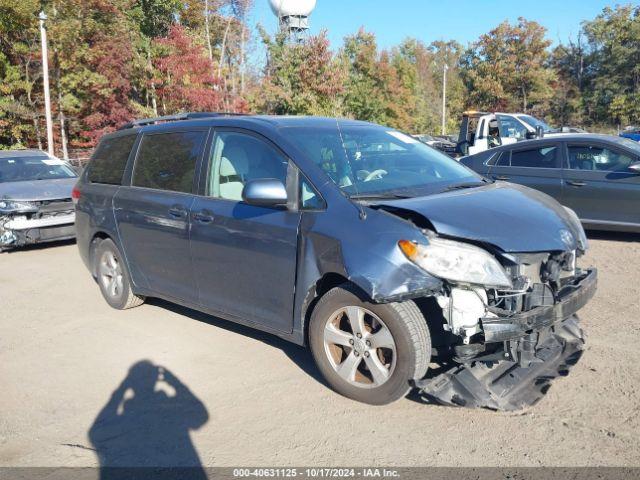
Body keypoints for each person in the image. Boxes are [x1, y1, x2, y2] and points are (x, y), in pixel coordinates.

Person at [89, 360, 209, 479]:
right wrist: (174, 382)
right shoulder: (171, 409)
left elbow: (97, 433)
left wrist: (122, 388)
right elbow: (201, 416)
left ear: (132, 382)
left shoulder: (127, 418)